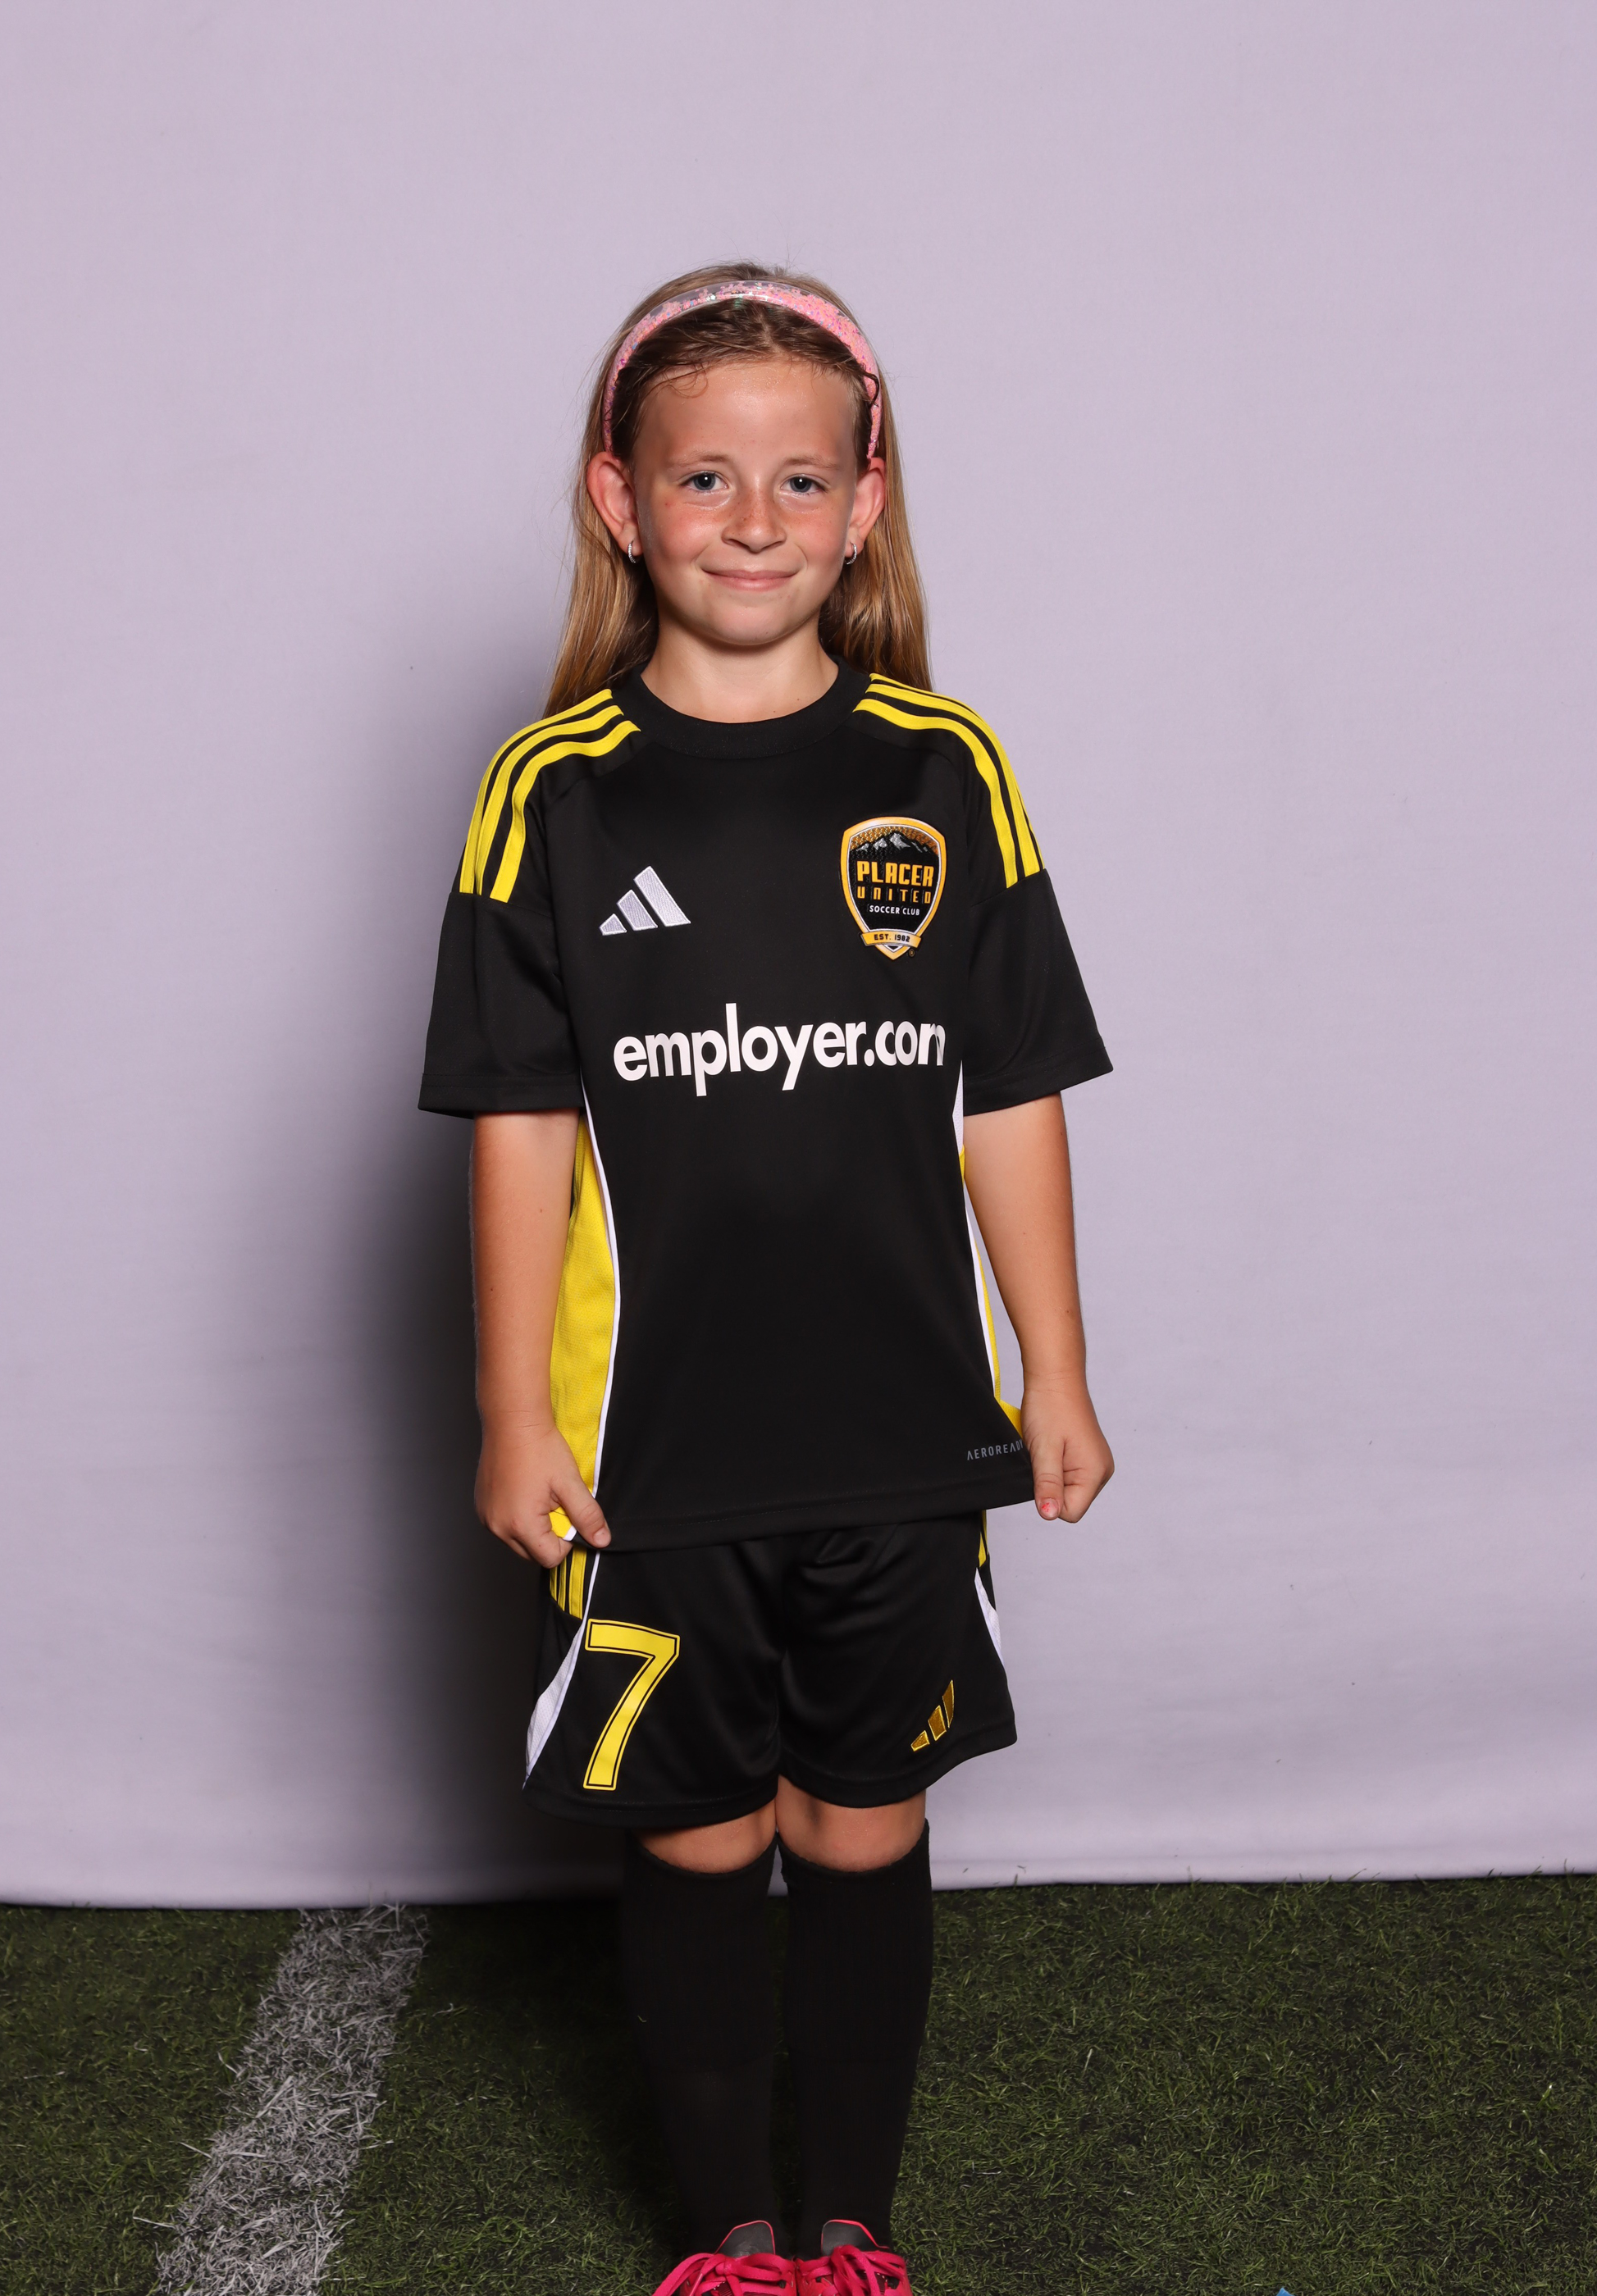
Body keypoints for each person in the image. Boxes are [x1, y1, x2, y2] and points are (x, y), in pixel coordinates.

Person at [419, 262, 1114, 2296]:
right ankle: (727, 2231)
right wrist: (511, 1410)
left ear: (864, 502)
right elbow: (519, 1123)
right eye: (702, 475)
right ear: (619, 500)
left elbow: (1009, 1093)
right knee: (702, 1832)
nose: (751, 517)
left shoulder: (946, 766)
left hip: (899, 1431)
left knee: (863, 1820)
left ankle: (851, 2225)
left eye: (798, 478)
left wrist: (1056, 1371)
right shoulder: (552, 791)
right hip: (651, 1451)